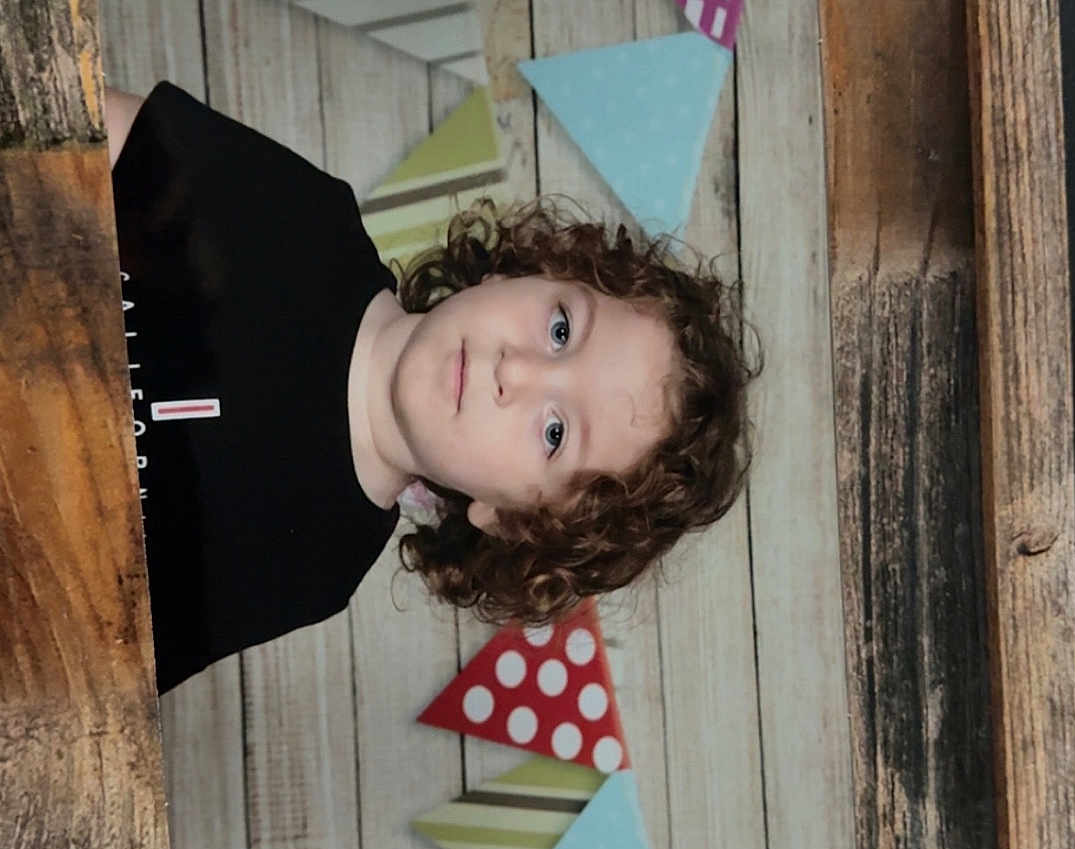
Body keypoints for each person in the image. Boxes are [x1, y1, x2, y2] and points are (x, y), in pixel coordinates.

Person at [106, 80, 763, 694]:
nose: (517, 371)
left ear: (509, 518)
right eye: (560, 330)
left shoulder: (314, 563)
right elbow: (77, 132)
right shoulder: (307, 221)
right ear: (528, 270)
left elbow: (95, 658)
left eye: (555, 432)